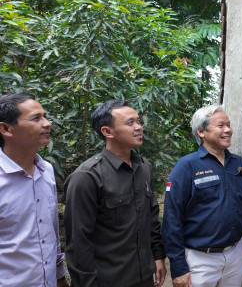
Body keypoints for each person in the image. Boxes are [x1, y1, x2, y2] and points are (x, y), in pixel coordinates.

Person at [64, 100, 166, 287]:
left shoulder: (144, 168)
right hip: (108, 280)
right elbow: (79, 244)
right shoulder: (87, 177)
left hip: (144, 277)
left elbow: (151, 218)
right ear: (107, 132)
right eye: (130, 123)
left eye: (138, 121)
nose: (139, 127)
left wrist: (158, 256)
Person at [162, 105, 242, 287]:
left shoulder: (238, 164)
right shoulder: (187, 166)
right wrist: (178, 267)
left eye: (229, 125)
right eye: (221, 125)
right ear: (201, 131)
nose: (228, 130)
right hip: (199, 259)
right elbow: (172, 219)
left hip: (234, 254)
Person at [0, 94, 70, 287]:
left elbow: (50, 232)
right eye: (36, 118)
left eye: (45, 116)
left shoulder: (45, 170)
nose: (47, 124)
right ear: (5, 128)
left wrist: (59, 276)